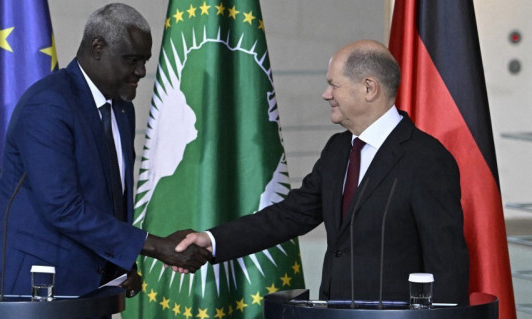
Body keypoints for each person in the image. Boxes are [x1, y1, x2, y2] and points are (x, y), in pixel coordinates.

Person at [175, 40, 469, 305]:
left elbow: (446, 263)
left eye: (334, 85)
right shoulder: (338, 150)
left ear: (369, 88)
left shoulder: (427, 159)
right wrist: (211, 241)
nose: (325, 94)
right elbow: (290, 215)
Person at [0, 3, 209, 300]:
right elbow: (63, 207)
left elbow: (112, 198)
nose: (141, 71)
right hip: (35, 287)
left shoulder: (122, 109)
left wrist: (121, 266)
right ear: (97, 47)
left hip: (93, 285)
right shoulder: (49, 104)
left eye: (144, 61)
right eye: (132, 59)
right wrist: (153, 245)